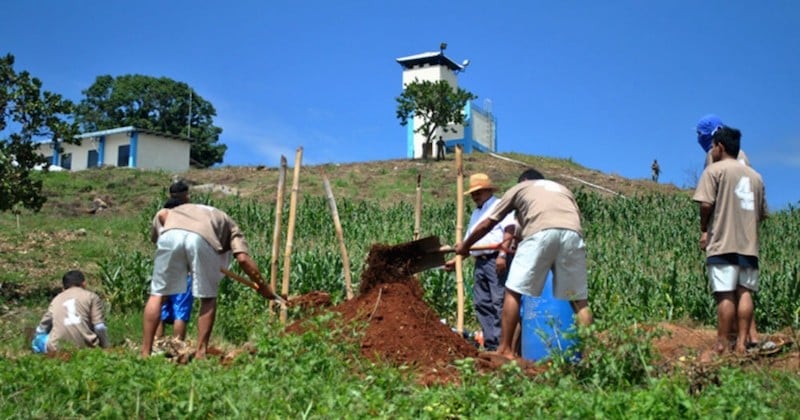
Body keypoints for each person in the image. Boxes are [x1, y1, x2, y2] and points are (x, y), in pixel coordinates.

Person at [455, 168, 593, 361]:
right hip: (573, 235)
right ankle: (589, 354)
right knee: (578, 301)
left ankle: (504, 350)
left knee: (513, 291)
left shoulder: (520, 189)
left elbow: (488, 224)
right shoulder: (562, 190)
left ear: (523, 182)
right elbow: (551, 223)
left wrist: (465, 245)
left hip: (540, 233)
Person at [141, 202, 281, 359]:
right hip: (201, 239)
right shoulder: (232, 226)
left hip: (169, 235)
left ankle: (145, 353)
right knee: (208, 298)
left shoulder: (180, 210)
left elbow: (161, 214)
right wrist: (263, 286)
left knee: (157, 294)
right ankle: (201, 353)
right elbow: (243, 260)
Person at [692, 126, 767, 355]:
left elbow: (706, 204)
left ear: (720, 147)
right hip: (749, 246)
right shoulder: (756, 177)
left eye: (713, 147)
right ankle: (743, 345)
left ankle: (722, 344)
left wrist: (704, 228)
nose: (712, 151)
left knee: (725, 295)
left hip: (723, 243)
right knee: (744, 292)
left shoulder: (714, 171)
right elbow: (762, 214)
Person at [444, 173, 516, 351]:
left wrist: (501, 255)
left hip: (495, 260)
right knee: (482, 303)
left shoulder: (499, 205)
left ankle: (502, 344)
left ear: (488, 191)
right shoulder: (476, 213)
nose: (475, 196)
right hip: (480, 262)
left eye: (479, 192)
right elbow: (469, 243)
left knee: (498, 302)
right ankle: (491, 344)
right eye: (473, 193)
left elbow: (510, 229)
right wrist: (456, 260)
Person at [32, 270, 110, 353]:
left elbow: (42, 328)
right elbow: (99, 327)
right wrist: (105, 346)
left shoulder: (56, 300)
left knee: (39, 339)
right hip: (87, 345)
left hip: (58, 347)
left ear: (63, 287)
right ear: (84, 283)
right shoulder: (91, 296)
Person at [154, 181, 193, 341]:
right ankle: (177, 344)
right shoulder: (187, 216)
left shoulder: (159, 215)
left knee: (160, 304)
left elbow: (154, 238)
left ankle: (157, 342)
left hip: (163, 266)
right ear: (184, 195)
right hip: (184, 268)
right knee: (181, 308)